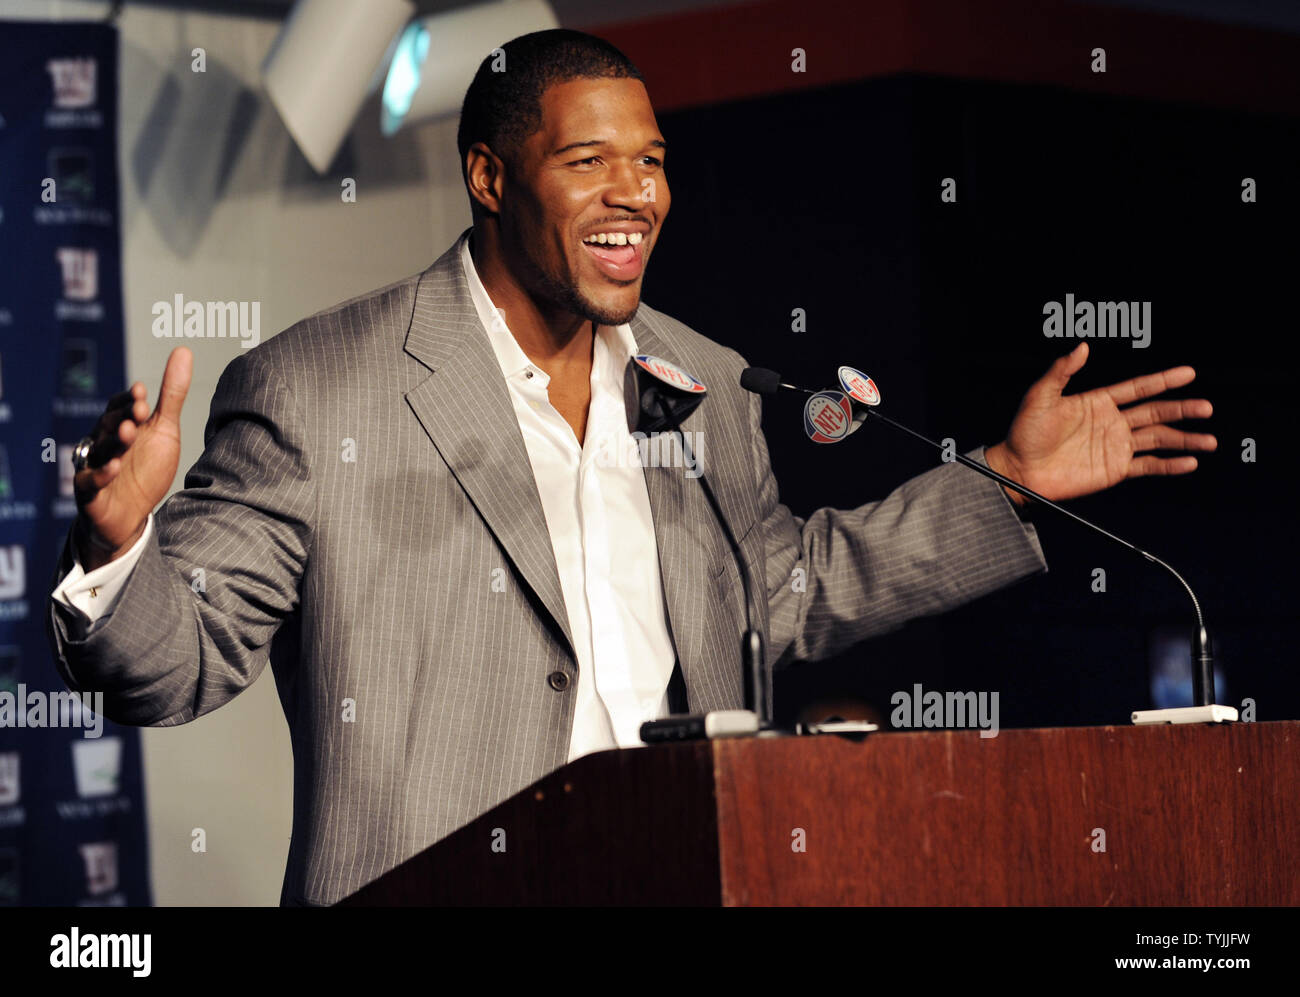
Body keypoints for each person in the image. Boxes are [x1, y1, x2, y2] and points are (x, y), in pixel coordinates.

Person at [46, 29, 1215, 905]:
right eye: (590, 159)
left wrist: (1005, 476)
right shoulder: (319, 385)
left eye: (651, 161)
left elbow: (787, 591)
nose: (635, 194)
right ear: (491, 178)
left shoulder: (699, 375)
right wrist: (118, 547)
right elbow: (173, 666)